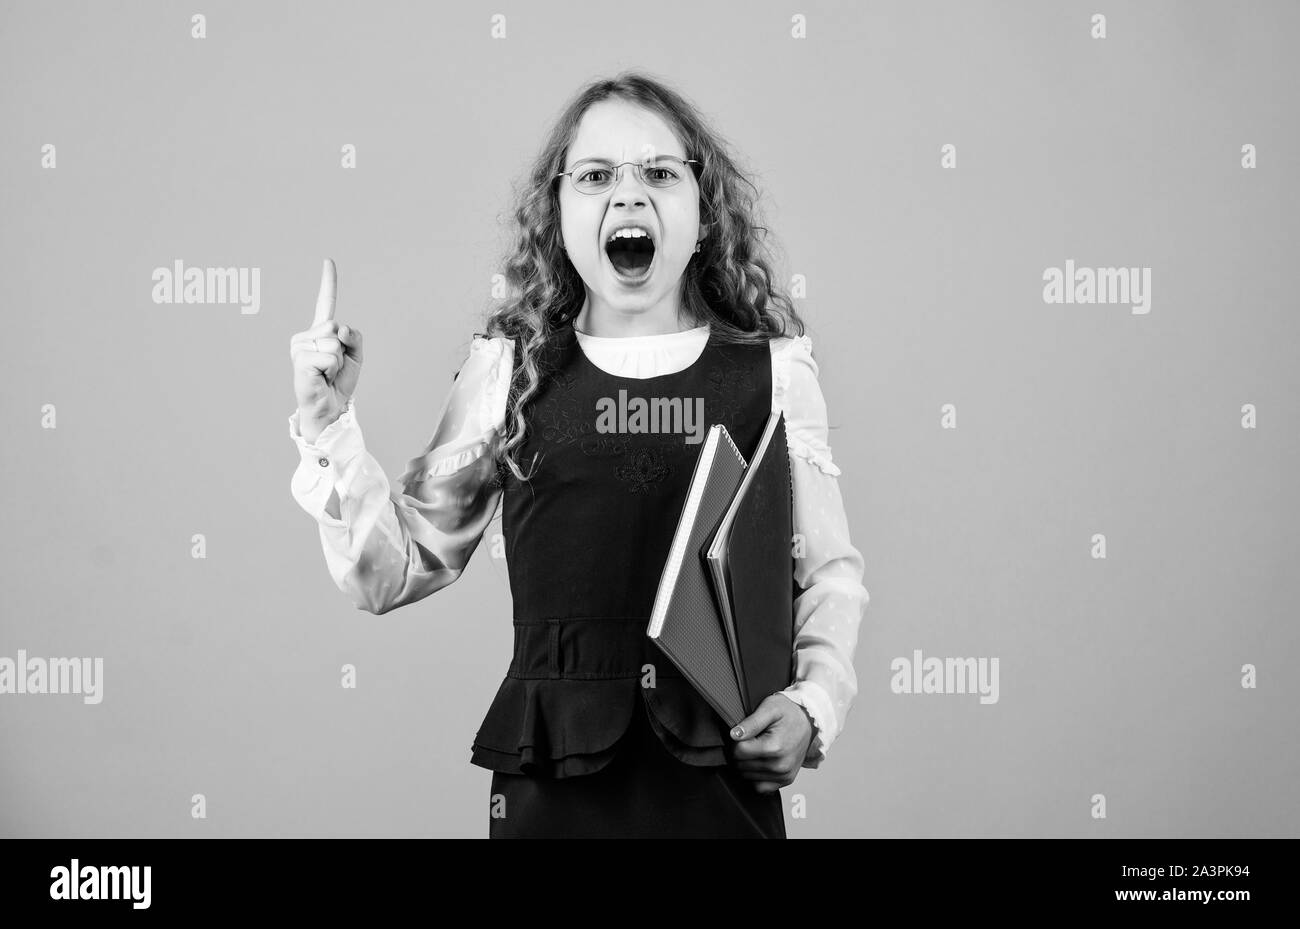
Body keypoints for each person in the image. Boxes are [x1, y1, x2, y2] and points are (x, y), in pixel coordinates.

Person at [287, 71, 868, 838]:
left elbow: (828, 571)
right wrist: (329, 425)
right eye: (596, 176)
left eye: (660, 173)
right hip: (549, 793)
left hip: (719, 789)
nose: (629, 196)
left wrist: (812, 703)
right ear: (558, 214)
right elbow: (393, 570)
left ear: (703, 212)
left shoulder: (775, 375)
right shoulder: (509, 372)